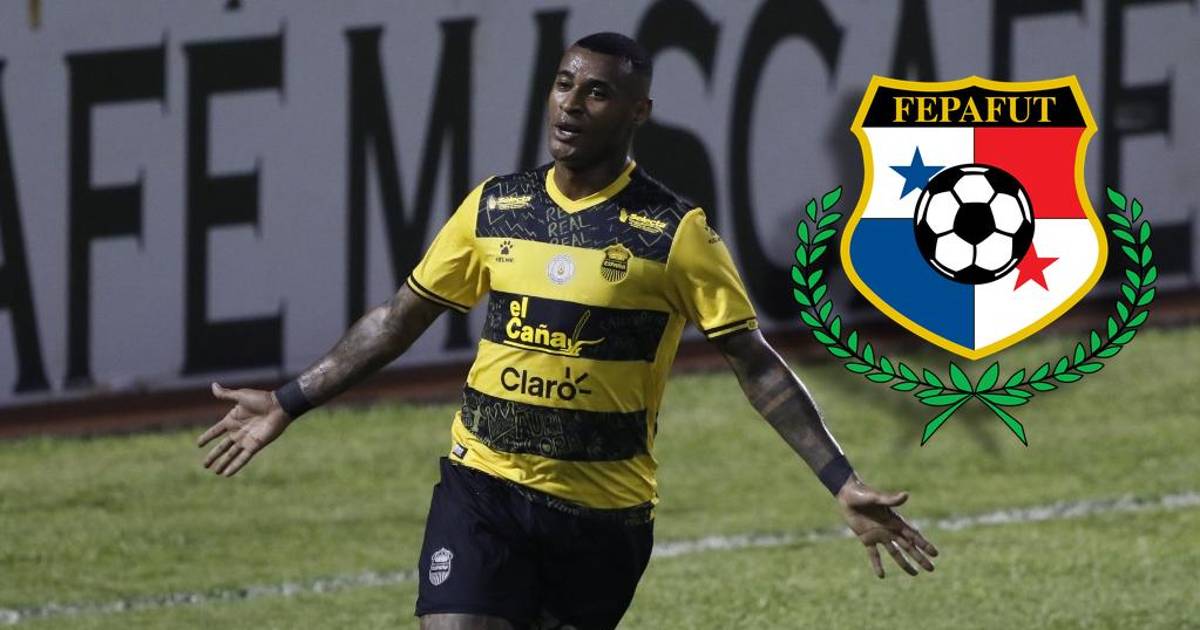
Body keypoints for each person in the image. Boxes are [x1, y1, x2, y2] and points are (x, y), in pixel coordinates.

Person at [197, 32, 938, 630]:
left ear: (638, 112)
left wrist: (841, 481)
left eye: (597, 92)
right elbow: (398, 320)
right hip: (483, 487)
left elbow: (757, 364)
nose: (572, 105)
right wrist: (289, 400)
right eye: (563, 84)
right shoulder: (496, 207)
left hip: (602, 517)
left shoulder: (673, 232)